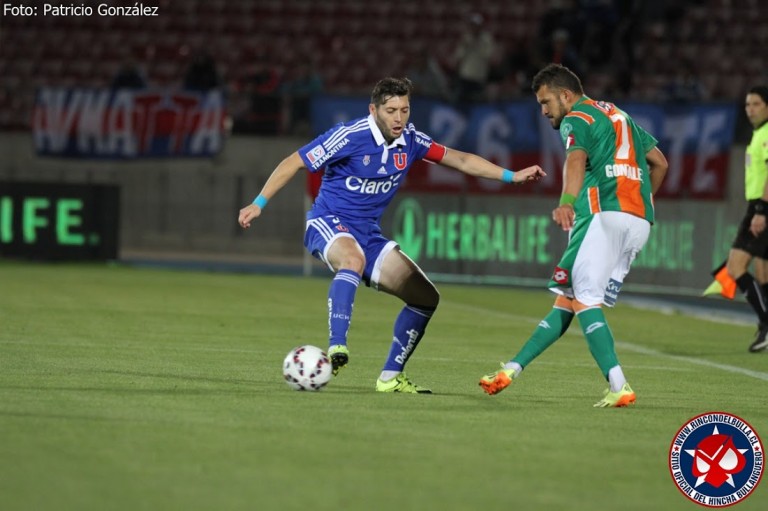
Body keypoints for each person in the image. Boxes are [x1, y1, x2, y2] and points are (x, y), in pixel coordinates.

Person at [239, 77, 545, 393]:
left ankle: (390, 377)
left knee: (425, 298)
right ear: (374, 110)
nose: (399, 118)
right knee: (352, 259)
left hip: (368, 234)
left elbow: (461, 159)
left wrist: (511, 176)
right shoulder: (349, 136)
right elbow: (294, 162)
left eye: (404, 109)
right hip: (327, 222)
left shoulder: (411, 140)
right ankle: (337, 345)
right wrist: (259, 203)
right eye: (390, 110)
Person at [479, 63, 669, 407]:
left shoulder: (576, 117)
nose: (544, 111)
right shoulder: (618, 115)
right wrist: (643, 200)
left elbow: (576, 159)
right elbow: (661, 163)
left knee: (585, 299)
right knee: (568, 299)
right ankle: (510, 369)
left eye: (546, 102)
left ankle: (619, 384)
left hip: (601, 214)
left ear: (566, 95)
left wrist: (566, 201)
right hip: (639, 220)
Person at [722, 86, 768, 353]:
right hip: (759, 206)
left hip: (761, 208)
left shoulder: (765, 135)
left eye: (756, 104)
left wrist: (761, 210)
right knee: (762, 270)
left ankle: (765, 323)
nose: (750, 109)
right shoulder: (759, 133)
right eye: (748, 105)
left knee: (735, 266)